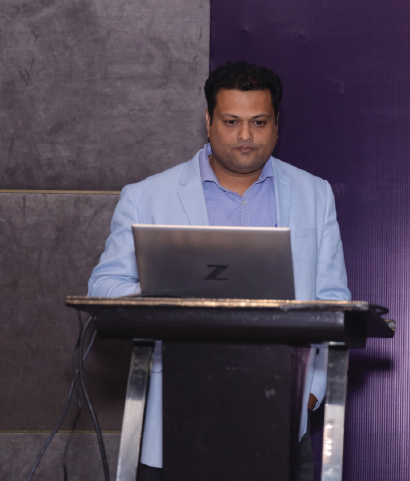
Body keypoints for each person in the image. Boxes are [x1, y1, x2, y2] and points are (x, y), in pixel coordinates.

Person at [88, 61, 349, 481]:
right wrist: (165, 291)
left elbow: (333, 298)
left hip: (281, 407)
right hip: (178, 413)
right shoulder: (147, 196)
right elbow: (104, 286)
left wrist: (312, 391)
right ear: (208, 122)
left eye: (258, 122)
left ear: (277, 125)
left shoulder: (313, 194)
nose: (245, 136)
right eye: (231, 121)